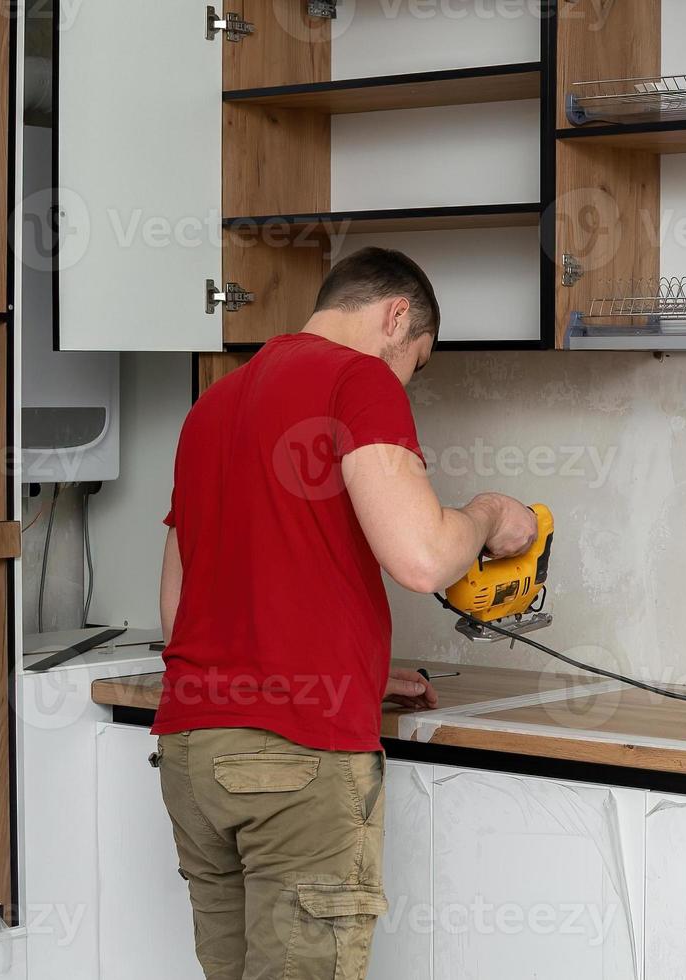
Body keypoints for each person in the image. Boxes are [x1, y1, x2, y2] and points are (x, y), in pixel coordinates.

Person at [151, 246, 538, 979]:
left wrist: (352, 670)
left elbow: (183, 612)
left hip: (192, 753)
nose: (406, 383)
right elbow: (423, 557)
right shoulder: (357, 378)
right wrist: (486, 514)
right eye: (414, 362)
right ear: (397, 315)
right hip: (294, 757)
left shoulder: (214, 404)